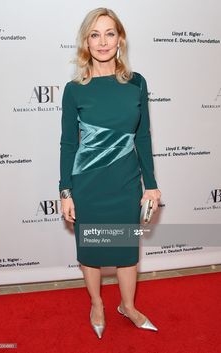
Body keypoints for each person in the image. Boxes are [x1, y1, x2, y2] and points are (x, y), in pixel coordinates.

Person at [59, 7, 161, 339]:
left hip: (126, 182)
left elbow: (143, 137)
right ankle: (97, 303)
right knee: (90, 251)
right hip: (88, 184)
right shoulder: (75, 89)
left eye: (110, 33)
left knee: (126, 253)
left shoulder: (137, 83)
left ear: (120, 39)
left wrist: (152, 186)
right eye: (95, 35)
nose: (103, 42)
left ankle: (127, 306)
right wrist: (65, 192)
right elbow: (67, 144)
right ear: (86, 42)